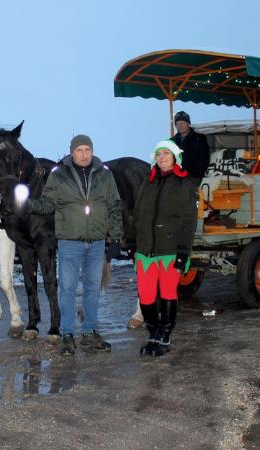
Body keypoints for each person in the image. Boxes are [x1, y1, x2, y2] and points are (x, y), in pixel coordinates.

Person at [24, 134, 122, 356]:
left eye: (88, 149)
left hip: (97, 243)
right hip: (69, 243)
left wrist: (115, 239)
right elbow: (47, 203)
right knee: (67, 290)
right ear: (72, 152)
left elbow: (115, 206)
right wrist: (26, 204)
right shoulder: (59, 176)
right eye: (80, 150)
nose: (84, 154)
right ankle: (67, 333)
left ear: (92, 151)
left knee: (92, 289)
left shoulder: (104, 175)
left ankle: (89, 331)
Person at [132, 140, 197, 357]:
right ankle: (153, 332)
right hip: (146, 251)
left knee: (168, 293)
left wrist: (183, 252)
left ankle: (165, 335)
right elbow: (138, 215)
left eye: (166, 154)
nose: (162, 158)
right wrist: (133, 243)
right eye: (159, 154)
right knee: (146, 296)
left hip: (171, 250)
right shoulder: (148, 183)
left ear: (174, 157)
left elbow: (189, 221)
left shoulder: (184, 184)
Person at [171, 111, 210, 185]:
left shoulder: (199, 138)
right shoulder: (171, 142)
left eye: (182, 123)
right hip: (174, 178)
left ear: (188, 123)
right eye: (177, 124)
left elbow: (204, 159)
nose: (180, 126)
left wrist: (194, 174)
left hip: (193, 178)